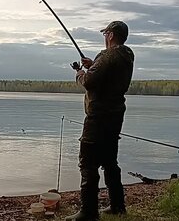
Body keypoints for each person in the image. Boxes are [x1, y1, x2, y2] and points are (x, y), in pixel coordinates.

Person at [65, 21, 135, 221]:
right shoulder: (127, 55)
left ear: (111, 35)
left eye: (105, 33)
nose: (104, 37)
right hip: (115, 116)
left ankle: (88, 212)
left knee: (87, 163)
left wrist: (80, 73)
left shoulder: (107, 55)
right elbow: (106, 73)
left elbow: (89, 82)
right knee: (110, 161)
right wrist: (92, 65)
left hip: (98, 117)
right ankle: (117, 206)